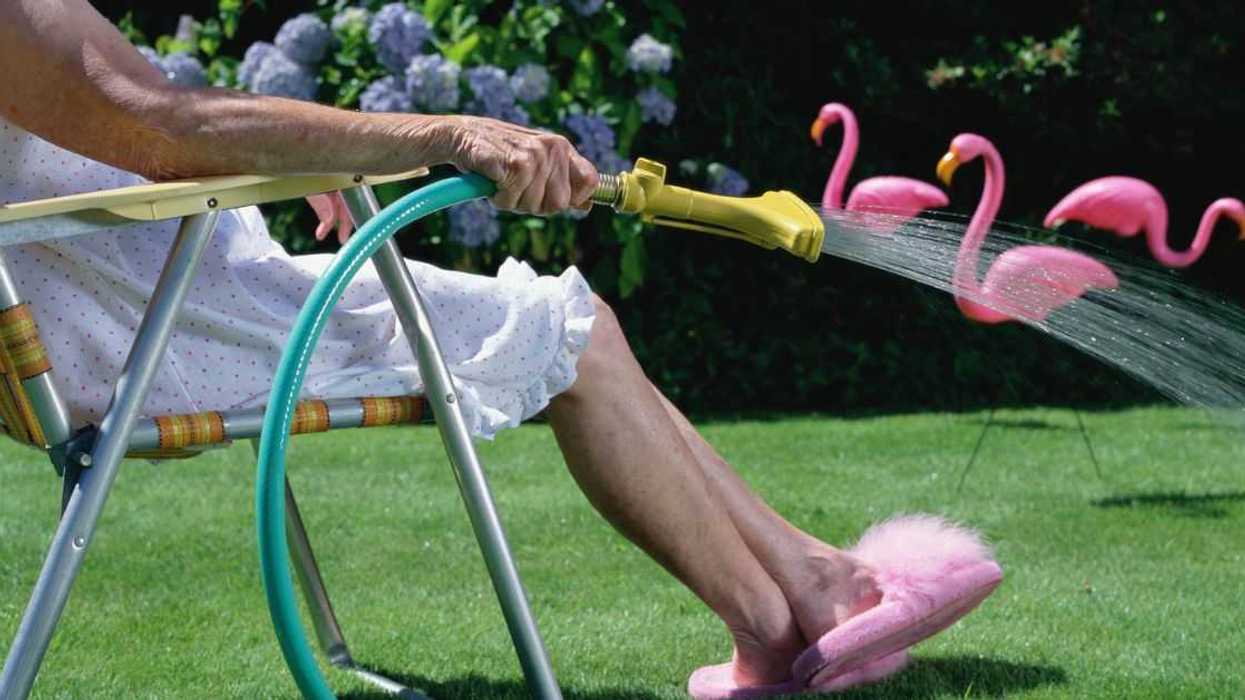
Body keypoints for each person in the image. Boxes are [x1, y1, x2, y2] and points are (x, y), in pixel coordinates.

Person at [0, 2, 999, 696]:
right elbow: (163, 127)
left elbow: (127, 127)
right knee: (572, 335)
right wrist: (444, 132)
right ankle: (779, 621)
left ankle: (808, 584)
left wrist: (305, 149)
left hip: (120, 327)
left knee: (574, 326)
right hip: (167, 333)